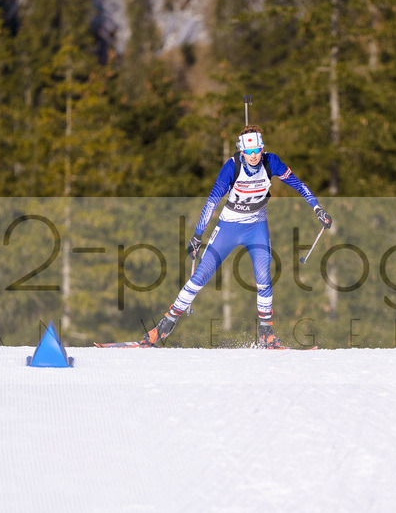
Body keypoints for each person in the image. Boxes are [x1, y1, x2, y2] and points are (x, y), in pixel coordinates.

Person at [140, 125, 332, 348]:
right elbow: (212, 200)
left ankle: (266, 334)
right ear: (241, 151)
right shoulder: (232, 167)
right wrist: (197, 235)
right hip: (229, 226)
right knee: (200, 276)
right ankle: (164, 326)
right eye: (248, 152)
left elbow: (298, 184)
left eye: (256, 151)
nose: (253, 156)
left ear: (262, 149)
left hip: (256, 227)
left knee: (264, 279)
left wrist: (317, 208)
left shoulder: (271, 162)